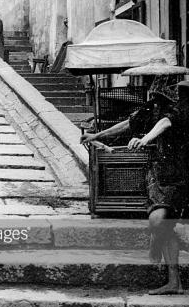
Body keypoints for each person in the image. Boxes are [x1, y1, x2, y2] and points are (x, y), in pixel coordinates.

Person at [81, 76, 189, 295]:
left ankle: (155, 245)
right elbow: (129, 123)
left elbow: (167, 122)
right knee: (163, 223)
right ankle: (174, 282)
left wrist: (146, 138)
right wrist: (98, 135)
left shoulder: (183, 104)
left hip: (181, 174)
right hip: (159, 173)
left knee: (159, 222)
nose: (156, 93)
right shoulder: (154, 106)